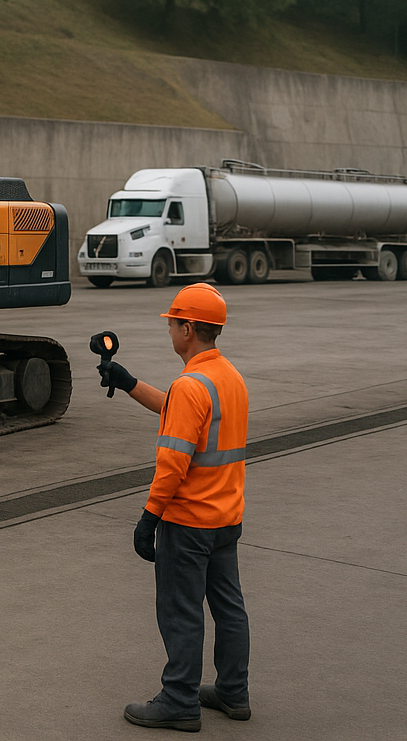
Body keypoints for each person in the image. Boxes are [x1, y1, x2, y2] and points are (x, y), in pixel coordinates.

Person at [98, 282, 251, 732]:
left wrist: (149, 519)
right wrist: (129, 385)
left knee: (180, 611)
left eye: (172, 324)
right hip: (226, 518)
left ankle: (180, 700)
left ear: (188, 328)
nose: (169, 330)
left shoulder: (191, 385)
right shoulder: (228, 377)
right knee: (229, 608)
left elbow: (172, 463)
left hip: (188, 523)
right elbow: (181, 413)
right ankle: (233, 692)